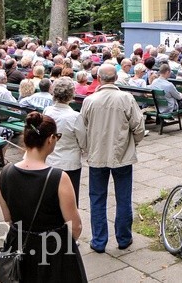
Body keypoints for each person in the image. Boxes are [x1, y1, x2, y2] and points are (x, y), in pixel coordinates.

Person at [0, 112, 86, 281]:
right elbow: (76, 227)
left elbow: (8, 217)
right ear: (51, 139)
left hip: (19, 248)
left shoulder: (6, 173)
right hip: (54, 252)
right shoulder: (59, 178)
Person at [77, 64, 145, 253]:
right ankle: (123, 238)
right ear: (115, 78)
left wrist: (87, 148)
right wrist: (133, 143)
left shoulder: (90, 101)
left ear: (99, 78)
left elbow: (82, 128)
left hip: (97, 155)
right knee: (123, 198)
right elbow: (139, 127)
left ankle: (99, 241)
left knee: (97, 198)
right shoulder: (126, 98)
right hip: (121, 154)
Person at [44, 77, 84, 203]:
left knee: (51, 199)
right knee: (70, 201)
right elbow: (83, 142)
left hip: (50, 160)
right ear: (72, 94)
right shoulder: (75, 117)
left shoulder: (48, 111)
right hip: (69, 163)